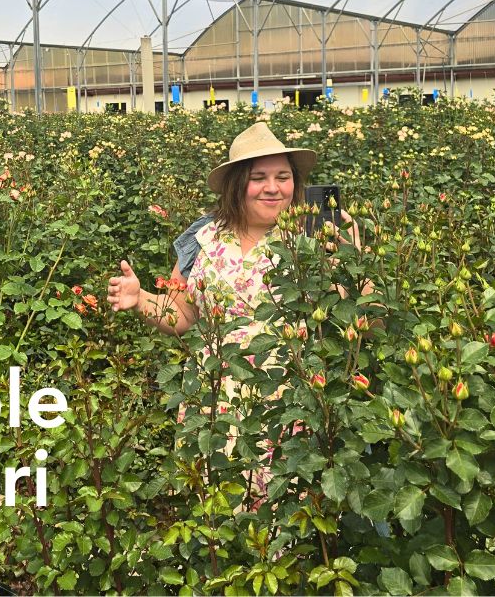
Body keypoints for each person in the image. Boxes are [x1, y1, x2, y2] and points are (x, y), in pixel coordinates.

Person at [105, 121, 366, 507]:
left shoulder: (313, 238)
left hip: (290, 401)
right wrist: (140, 298)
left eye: (283, 176)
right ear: (237, 184)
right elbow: (183, 315)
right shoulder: (204, 238)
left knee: (288, 514)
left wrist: (354, 263)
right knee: (218, 518)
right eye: (259, 177)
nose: (273, 187)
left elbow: (363, 320)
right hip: (215, 404)